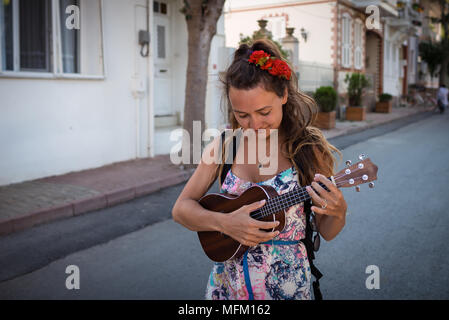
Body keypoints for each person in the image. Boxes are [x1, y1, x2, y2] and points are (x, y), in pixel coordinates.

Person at [172, 39, 348, 300]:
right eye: (242, 115)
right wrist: (225, 223)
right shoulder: (225, 145)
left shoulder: (307, 150)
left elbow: (327, 231)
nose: (254, 124)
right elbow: (181, 209)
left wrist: (339, 210)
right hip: (226, 291)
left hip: (287, 292)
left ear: (284, 95)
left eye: (264, 111)